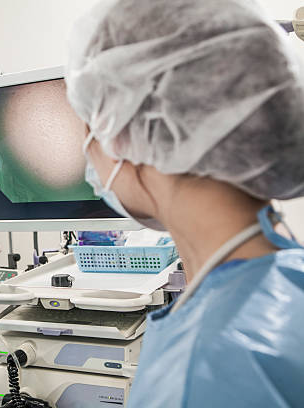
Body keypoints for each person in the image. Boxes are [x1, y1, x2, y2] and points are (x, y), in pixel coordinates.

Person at [65, 0, 304, 406]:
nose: (88, 150)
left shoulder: (207, 372)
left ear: (130, 132)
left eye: (92, 123)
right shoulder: (288, 277)